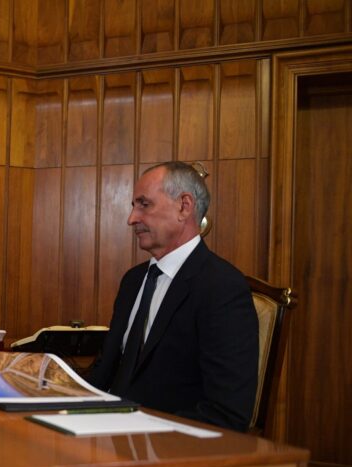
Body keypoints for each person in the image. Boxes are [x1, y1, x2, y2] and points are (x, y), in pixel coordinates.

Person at [87, 161, 258, 432]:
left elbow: (227, 411)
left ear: (184, 207)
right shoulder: (132, 281)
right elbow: (103, 373)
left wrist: (145, 436)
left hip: (171, 453)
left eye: (144, 204)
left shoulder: (222, 287)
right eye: (134, 206)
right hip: (107, 438)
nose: (131, 218)